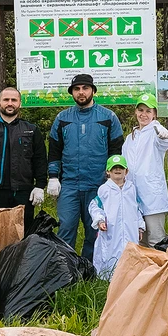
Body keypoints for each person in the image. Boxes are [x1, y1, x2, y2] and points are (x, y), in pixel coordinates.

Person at [47, 74, 124, 259]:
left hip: (98, 184)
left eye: (85, 88)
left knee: (95, 228)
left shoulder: (108, 117)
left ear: (93, 90)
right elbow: (54, 150)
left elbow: (116, 152)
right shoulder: (62, 118)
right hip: (70, 185)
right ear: (72, 93)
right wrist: (53, 177)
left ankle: (91, 268)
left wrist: (113, 179)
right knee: (66, 227)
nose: (81, 92)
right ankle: (65, 269)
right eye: (77, 89)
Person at [0, 87, 48, 227]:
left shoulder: (31, 129)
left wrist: (40, 186)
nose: (10, 103)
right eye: (6, 100)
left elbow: (40, 159)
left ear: (20, 103)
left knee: (22, 236)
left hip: (22, 192)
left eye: (14, 100)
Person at [121, 92, 168, 247]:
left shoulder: (156, 130)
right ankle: (144, 272)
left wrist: (164, 137)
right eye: (141, 110)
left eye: (148, 111)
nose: (144, 114)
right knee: (138, 239)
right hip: (133, 197)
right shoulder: (131, 137)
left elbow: (166, 141)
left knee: (156, 239)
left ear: (154, 114)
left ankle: (161, 271)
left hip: (153, 196)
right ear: (136, 112)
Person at [88, 155, 145, 278]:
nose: (117, 170)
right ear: (108, 171)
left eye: (120, 167)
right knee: (110, 255)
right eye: (114, 168)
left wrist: (140, 226)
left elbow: (138, 209)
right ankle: (109, 279)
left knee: (131, 254)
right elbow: (95, 206)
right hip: (111, 232)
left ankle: (129, 278)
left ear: (126, 171)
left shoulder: (132, 189)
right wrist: (100, 220)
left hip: (130, 230)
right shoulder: (104, 189)